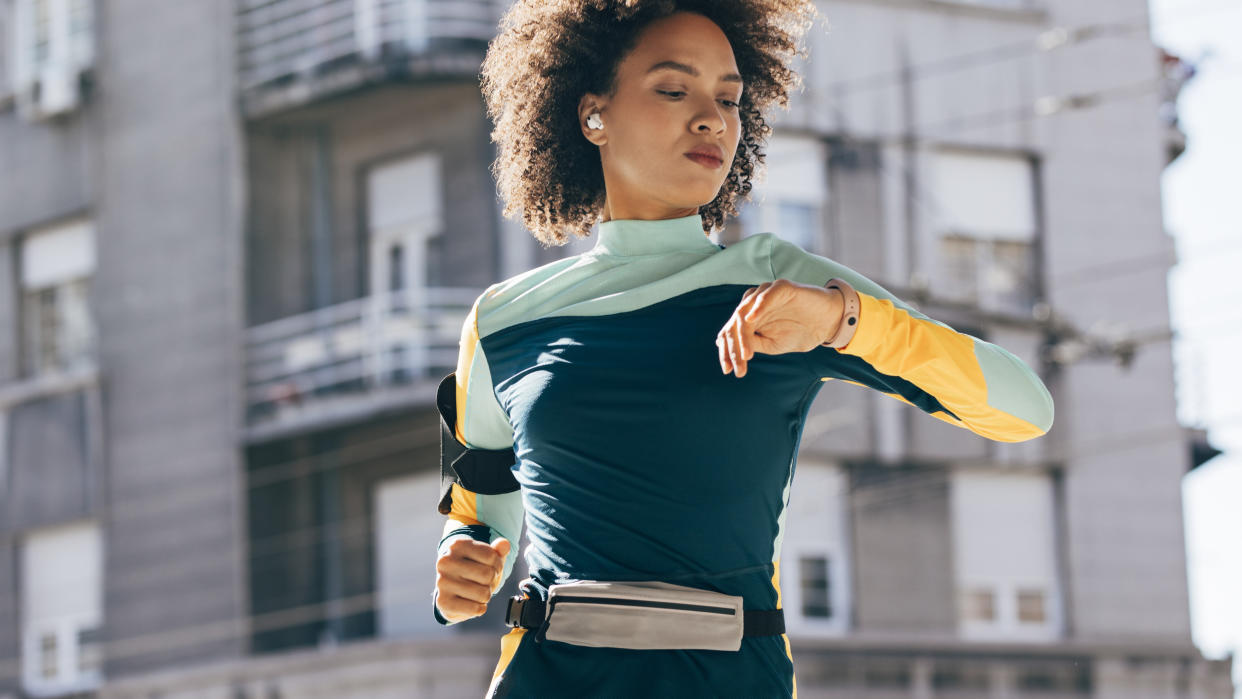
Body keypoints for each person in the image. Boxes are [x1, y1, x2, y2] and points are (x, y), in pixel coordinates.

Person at [431, 2, 1055, 697]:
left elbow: (1025, 408)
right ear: (592, 114)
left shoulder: (781, 282)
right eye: (674, 89)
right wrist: (461, 561)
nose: (712, 119)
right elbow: (484, 504)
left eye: (728, 98)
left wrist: (843, 323)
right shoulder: (503, 320)